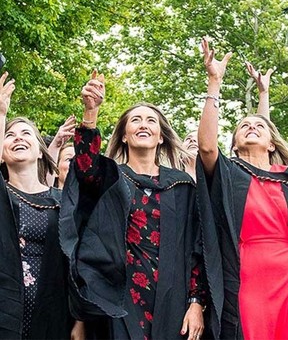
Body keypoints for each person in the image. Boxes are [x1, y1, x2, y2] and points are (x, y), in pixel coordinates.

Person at [196, 38, 288, 339]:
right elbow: (207, 148)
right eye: (243, 126)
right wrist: (213, 83)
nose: (251, 128)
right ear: (233, 144)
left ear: (272, 143)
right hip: (247, 277)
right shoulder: (230, 173)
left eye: (259, 127)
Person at [60, 71, 211, 339]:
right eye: (135, 120)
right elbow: (85, 169)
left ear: (161, 136)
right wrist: (91, 112)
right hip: (119, 298)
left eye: (151, 120)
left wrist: (196, 302)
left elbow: (195, 249)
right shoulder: (111, 180)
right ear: (125, 136)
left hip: (172, 298)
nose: (143, 124)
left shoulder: (182, 185)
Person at [0, 73, 83, 339]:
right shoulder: (3, 196)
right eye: (9, 135)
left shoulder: (61, 201)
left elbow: (77, 263)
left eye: (26, 134)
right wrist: (1, 113)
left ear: (39, 151)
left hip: (53, 313)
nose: (17, 138)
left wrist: (80, 320)